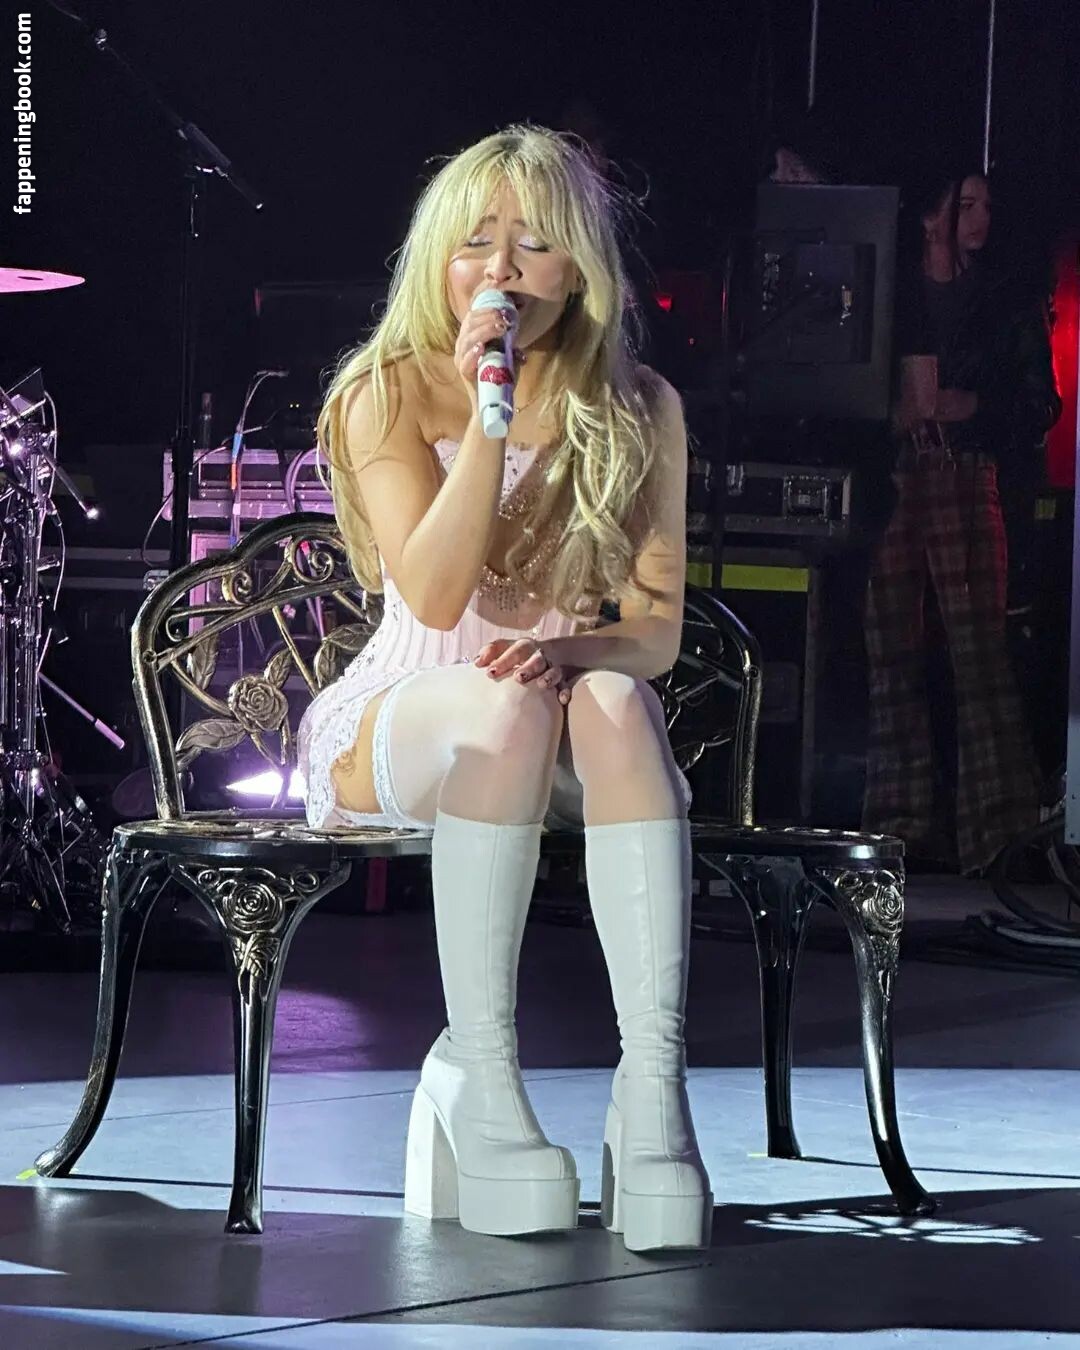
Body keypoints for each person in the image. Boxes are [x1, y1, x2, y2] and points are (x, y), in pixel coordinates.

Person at [297, 124, 711, 1252]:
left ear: (579, 270)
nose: (502, 267)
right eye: (476, 241)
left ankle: (653, 1095)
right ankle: (481, 1080)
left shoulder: (642, 405)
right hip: (407, 710)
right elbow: (435, 600)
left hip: (555, 709)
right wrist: (490, 411)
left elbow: (654, 637)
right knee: (502, 706)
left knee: (615, 701)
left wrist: (572, 656)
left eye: (534, 243)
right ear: (440, 260)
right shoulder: (385, 390)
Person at [861, 168, 1060, 874]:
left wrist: (972, 406)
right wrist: (895, 415)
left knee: (979, 654)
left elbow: (1041, 404)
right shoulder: (891, 291)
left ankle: (1000, 829)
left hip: (967, 471)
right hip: (894, 477)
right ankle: (902, 824)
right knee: (891, 651)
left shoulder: (1002, 297)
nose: (978, 220)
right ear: (928, 218)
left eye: (984, 207)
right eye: (963, 206)